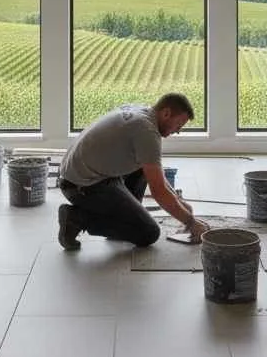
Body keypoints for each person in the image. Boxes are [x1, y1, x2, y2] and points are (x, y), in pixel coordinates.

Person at [57, 93, 210, 251]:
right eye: (178, 125)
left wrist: (179, 202)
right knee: (148, 232)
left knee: (146, 166)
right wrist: (190, 222)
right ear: (166, 113)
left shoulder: (143, 112)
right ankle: (76, 218)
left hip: (87, 173)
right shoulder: (147, 132)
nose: (178, 131)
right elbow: (159, 192)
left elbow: (155, 173)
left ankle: (123, 221)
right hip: (81, 185)